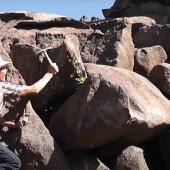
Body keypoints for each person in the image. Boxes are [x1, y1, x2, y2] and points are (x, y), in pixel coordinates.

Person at [0, 57, 59, 170]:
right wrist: (50, 73)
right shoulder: (2, 87)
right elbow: (34, 89)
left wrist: (14, 125)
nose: (6, 70)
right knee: (13, 163)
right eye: (3, 68)